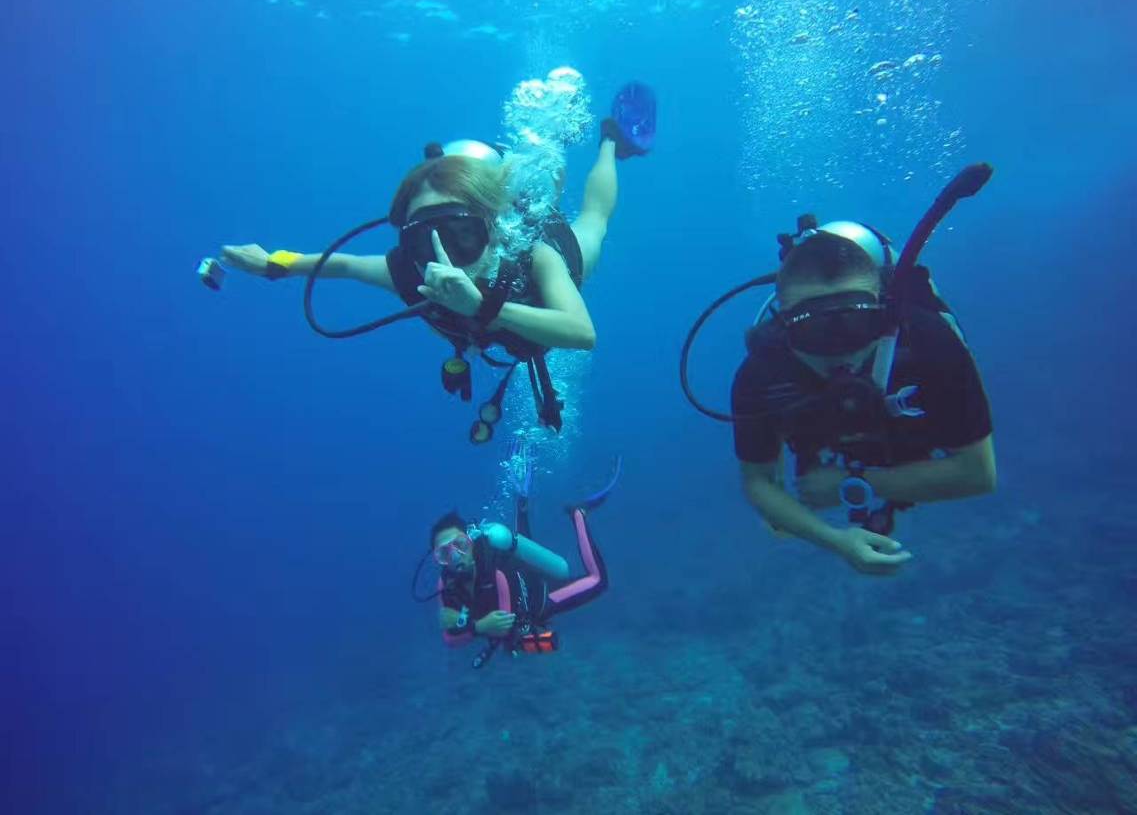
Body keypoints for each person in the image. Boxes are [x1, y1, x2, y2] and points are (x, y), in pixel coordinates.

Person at [214, 82, 654, 443]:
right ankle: (549, 148)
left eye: (462, 235)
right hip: (504, 312)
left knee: (593, 223)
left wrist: (484, 307)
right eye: (424, 239)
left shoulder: (532, 254)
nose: (444, 256)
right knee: (562, 204)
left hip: (537, 286)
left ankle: (608, 142)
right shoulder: (409, 272)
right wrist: (276, 262)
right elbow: (344, 265)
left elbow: (581, 332)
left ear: (492, 227)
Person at [730, 214, 996, 577]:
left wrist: (852, 484)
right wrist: (836, 540)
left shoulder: (928, 343)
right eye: (813, 329)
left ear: (882, 314)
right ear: (783, 323)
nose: (838, 349)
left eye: (855, 323)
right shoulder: (763, 371)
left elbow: (979, 474)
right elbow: (759, 481)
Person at [419, 440, 617, 668]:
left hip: (540, 596)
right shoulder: (445, 584)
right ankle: (521, 499)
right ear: (438, 560)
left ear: (471, 541)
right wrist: (479, 626)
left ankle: (578, 514)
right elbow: (450, 640)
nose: (456, 556)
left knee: (598, 581)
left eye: (460, 545)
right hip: (520, 576)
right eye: (444, 553)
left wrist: (469, 624)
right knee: (522, 551)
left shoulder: (493, 569)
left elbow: (503, 625)